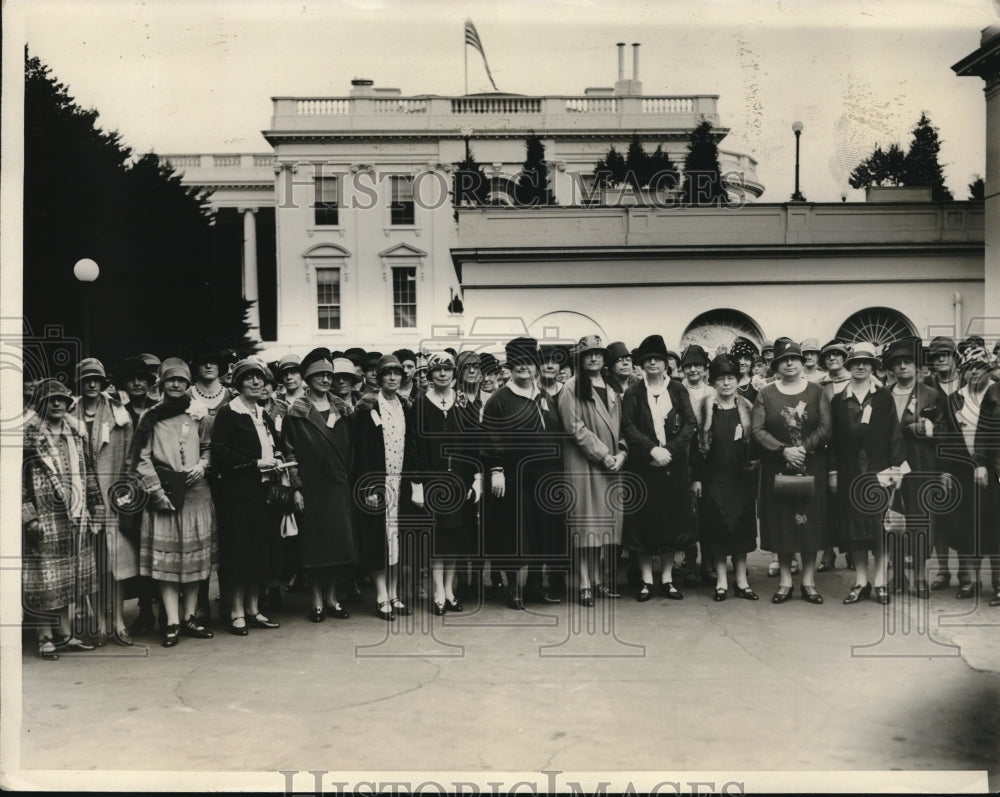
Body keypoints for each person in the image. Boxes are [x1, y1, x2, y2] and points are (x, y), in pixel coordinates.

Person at [132, 358, 217, 647]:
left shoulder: (198, 412)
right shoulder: (151, 417)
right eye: (171, 380)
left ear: (188, 382)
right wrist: (157, 492)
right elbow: (141, 459)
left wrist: (203, 465)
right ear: (162, 383)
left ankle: (190, 616)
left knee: (193, 558)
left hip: (196, 493)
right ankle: (171, 620)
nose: (177, 384)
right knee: (169, 562)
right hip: (165, 495)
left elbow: (208, 447)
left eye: (182, 380)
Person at [481, 337, 566, 610]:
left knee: (542, 532)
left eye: (528, 363)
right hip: (513, 478)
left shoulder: (545, 397)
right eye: (517, 363)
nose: (523, 368)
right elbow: (492, 438)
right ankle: (514, 589)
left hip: (545, 476)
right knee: (514, 534)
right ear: (510, 366)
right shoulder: (499, 400)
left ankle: (534, 587)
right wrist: (496, 470)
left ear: (536, 366)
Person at [23, 379, 103, 659]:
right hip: (44, 515)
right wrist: (28, 516)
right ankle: (44, 636)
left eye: (61, 399)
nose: (57, 404)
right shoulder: (29, 438)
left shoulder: (76, 433)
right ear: (40, 404)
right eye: (50, 400)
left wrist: (95, 506)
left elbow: (88, 471)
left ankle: (66, 633)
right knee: (45, 577)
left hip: (75, 511)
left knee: (69, 576)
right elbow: (17, 482)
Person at [751, 337, 832, 605]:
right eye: (783, 360)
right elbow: (758, 430)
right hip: (777, 466)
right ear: (775, 365)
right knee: (783, 522)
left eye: (794, 359)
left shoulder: (817, 391)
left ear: (801, 362)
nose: (789, 363)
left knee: (810, 523)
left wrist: (803, 449)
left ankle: (808, 580)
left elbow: (825, 426)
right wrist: (784, 450)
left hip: (811, 466)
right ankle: (785, 580)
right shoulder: (766, 393)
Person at [211, 359, 289, 635]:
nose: (256, 383)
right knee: (239, 554)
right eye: (250, 378)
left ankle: (254, 609)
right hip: (237, 496)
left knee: (258, 553)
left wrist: (277, 458)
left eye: (260, 378)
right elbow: (221, 453)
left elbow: (275, 445)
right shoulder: (228, 413)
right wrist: (255, 464)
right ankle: (235, 611)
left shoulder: (262, 413)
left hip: (263, 494)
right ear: (238, 383)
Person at [282, 349, 359, 622]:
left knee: (338, 548)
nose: (326, 380)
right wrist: (296, 487)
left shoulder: (344, 409)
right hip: (312, 488)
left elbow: (353, 450)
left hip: (338, 486)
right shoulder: (297, 412)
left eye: (329, 375)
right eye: (320, 375)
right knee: (314, 550)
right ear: (308, 378)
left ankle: (332, 598)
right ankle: (316, 601)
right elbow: (288, 453)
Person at [621, 334, 697, 602]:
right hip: (643, 467)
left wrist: (670, 451)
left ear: (666, 363)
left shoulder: (677, 390)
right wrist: (652, 450)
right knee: (644, 523)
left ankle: (667, 579)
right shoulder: (633, 392)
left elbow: (690, 424)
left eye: (657, 359)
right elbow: (628, 426)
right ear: (641, 364)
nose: (652, 363)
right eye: (647, 359)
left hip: (673, 467)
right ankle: (646, 580)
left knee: (671, 522)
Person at [828, 342, 905, 605]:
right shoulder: (838, 401)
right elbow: (834, 440)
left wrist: (895, 466)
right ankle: (861, 582)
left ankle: (881, 581)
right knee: (855, 531)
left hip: (879, 471)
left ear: (873, 367)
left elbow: (894, 433)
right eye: (855, 363)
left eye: (866, 363)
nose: (860, 367)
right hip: (850, 473)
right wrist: (834, 471)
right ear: (848, 367)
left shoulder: (883, 397)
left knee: (879, 529)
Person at [407, 352, 483, 614]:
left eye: (448, 370)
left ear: (454, 374)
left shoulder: (462, 402)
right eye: (437, 370)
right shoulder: (419, 405)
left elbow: (473, 444)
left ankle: (450, 589)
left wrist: (476, 479)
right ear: (429, 375)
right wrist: (417, 484)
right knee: (439, 542)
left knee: (455, 540)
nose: (443, 374)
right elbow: (414, 447)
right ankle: (438, 591)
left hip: (460, 482)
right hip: (434, 482)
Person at [71, 358, 136, 645]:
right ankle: (98, 623)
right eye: (87, 380)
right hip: (82, 498)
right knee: (92, 563)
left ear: (104, 381)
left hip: (112, 496)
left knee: (115, 563)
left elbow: (130, 454)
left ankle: (119, 622)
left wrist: (126, 489)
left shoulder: (118, 413)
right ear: (80, 383)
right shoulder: (71, 411)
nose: (93, 384)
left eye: (97, 379)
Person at [558, 334, 627, 606]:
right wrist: (603, 455)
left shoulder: (612, 386)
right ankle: (585, 582)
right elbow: (574, 427)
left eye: (598, 353)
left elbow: (624, 424)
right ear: (580, 359)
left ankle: (599, 580)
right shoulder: (571, 387)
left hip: (612, 462)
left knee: (605, 527)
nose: (594, 358)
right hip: (585, 463)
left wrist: (622, 452)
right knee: (587, 526)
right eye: (588, 354)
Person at [881, 337, 947, 598]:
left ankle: (919, 576)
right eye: (897, 363)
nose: (902, 367)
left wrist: (925, 429)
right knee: (893, 521)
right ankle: (897, 575)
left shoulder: (930, 393)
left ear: (916, 366)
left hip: (921, 464)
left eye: (907, 362)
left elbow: (944, 430)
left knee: (921, 521)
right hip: (891, 465)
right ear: (891, 369)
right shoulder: (883, 395)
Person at [691, 355, 759, 601]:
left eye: (731, 378)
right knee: (718, 529)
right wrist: (696, 478)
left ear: (737, 381)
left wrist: (754, 461)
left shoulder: (748, 408)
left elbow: (758, 442)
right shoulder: (705, 407)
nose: (727, 383)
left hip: (741, 479)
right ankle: (721, 581)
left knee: (741, 528)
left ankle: (741, 580)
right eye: (721, 379)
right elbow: (694, 446)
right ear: (714, 382)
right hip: (714, 479)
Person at [940, 345, 1000, 602]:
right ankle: (971, 581)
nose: (974, 372)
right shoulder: (954, 399)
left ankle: (998, 583)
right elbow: (947, 437)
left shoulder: (997, 392)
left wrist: (985, 462)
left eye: (980, 367)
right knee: (966, 525)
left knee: (995, 525)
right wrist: (945, 470)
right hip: (962, 470)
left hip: (994, 470)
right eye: (968, 368)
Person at [354, 354, 412, 620]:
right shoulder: (367, 407)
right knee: (379, 539)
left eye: (397, 373)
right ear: (378, 377)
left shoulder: (406, 406)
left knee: (397, 538)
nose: (392, 377)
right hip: (379, 483)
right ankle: (381, 594)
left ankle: (395, 592)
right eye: (387, 373)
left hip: (400, 482)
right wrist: (369, 487)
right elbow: (363, 452)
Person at [921, 336, 967, 591]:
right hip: (935, 459)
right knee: (938, 516)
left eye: (945, 355)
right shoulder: (927, 386)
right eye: (936, 357)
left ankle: (964, 571)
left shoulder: (968, 383)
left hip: (966, 459)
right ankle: (943, 570)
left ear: (954, 357)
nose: (940, 360)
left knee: (964, 515)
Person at [816, 339, 852, 573]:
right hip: (827, 448)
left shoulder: (857, 381)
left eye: (837, 355)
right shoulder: (821, 386)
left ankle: (851, 551)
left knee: (848, 502)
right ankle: (827, 552)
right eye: (828, 356)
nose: (832, 359)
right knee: (826, 504)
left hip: (850, 448)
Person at [679, 344, 713, 585]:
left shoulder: (712, 392)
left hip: (711, 455)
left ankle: (709, 562)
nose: (693, 370)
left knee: (710, 508)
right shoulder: (677, 390)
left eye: (697, 366)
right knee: (688, 511)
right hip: (685, 454)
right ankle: (690, 562)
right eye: (689, 366)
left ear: (704, 369)